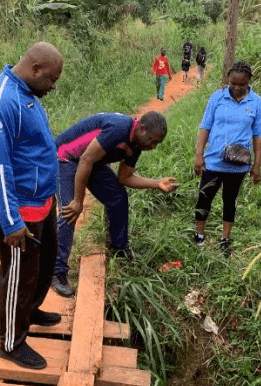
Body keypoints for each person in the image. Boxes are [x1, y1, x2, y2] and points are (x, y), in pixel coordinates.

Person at [0, 41, 63, 370]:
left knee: (43, 263)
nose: (53, 87)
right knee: (19, 273)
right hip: (15, 207)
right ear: (36, 69)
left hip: (39, 198)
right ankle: (11, 342)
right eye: (52, 80)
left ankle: (30, 309)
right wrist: (11, 221)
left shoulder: (27, 92)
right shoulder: (3, 101)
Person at [51, 111, 178, 297]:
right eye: (152, 140)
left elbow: (125, 178)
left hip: (91, 162)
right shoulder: (119, 128)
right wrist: (78, 200)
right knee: (70, 211)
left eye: (157, 143)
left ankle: (119, 247)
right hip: (65, 157)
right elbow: (85, 159)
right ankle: (57, 270)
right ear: (141, 129)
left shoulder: (136, 145)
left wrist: (156, 183)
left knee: (118, 197)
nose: (153, 146)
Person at [193, 61, 261, 257]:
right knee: (204, 198)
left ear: (249, 82)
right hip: (214, 161)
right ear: (228, 80)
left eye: (241, 84)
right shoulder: (217, 98)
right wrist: (199, 155)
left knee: (230, 201)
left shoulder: (257, 103)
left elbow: (258, 135)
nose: (236, 88)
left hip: (238, 164)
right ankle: (199, 235)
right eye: (233, 83)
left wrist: (257, 165)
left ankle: (225, 239)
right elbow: (205, 126)